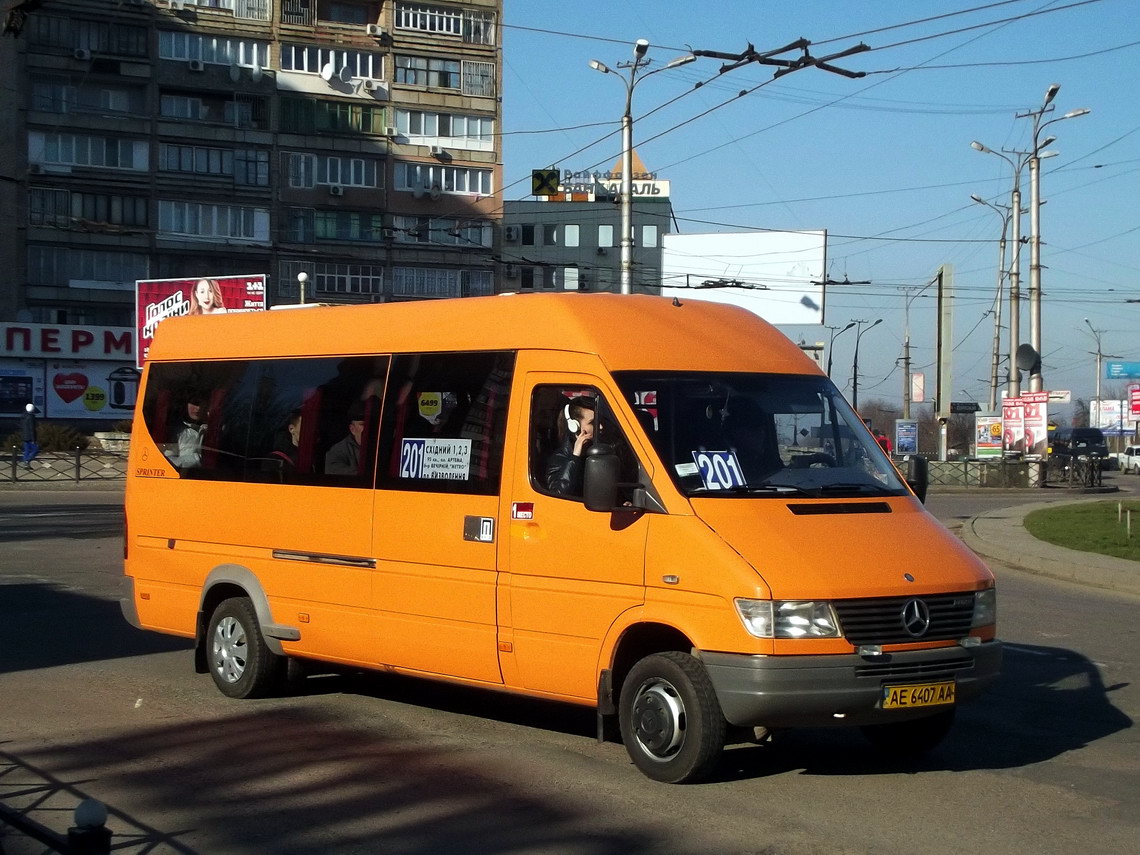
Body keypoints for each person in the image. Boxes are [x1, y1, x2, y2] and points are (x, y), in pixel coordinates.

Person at [544, 396, 595, 497]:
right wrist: (575, 458)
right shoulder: (559, 458)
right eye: (592, 423)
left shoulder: (605, 449)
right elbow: (559, 494)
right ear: (574, 426)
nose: (600, 426)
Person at [324, 404, 365, 475]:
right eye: (363, 424)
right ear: (352, 429)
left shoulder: (382, 449)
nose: (368, 428)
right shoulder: (338, 451)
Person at [174, 397, 207, 468]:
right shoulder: (176, 431)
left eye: (203, 404)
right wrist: (197, 459)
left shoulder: (214, 430)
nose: (198, 408)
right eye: (195, 403)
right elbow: (167, 460)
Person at [268, 410, 303, 474]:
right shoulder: (277, 457)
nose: (309, 431)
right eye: (304, 427)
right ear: (291, 429)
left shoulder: (312, 454)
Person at [20, 403, 38, 469]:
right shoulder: (31, 417)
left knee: (26, 450)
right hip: (30, 437)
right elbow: (32, 429)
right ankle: (27, 461)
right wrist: (33, 439)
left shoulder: (23, 416)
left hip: (24, 436)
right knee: (35, 450)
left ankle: (25, 463)